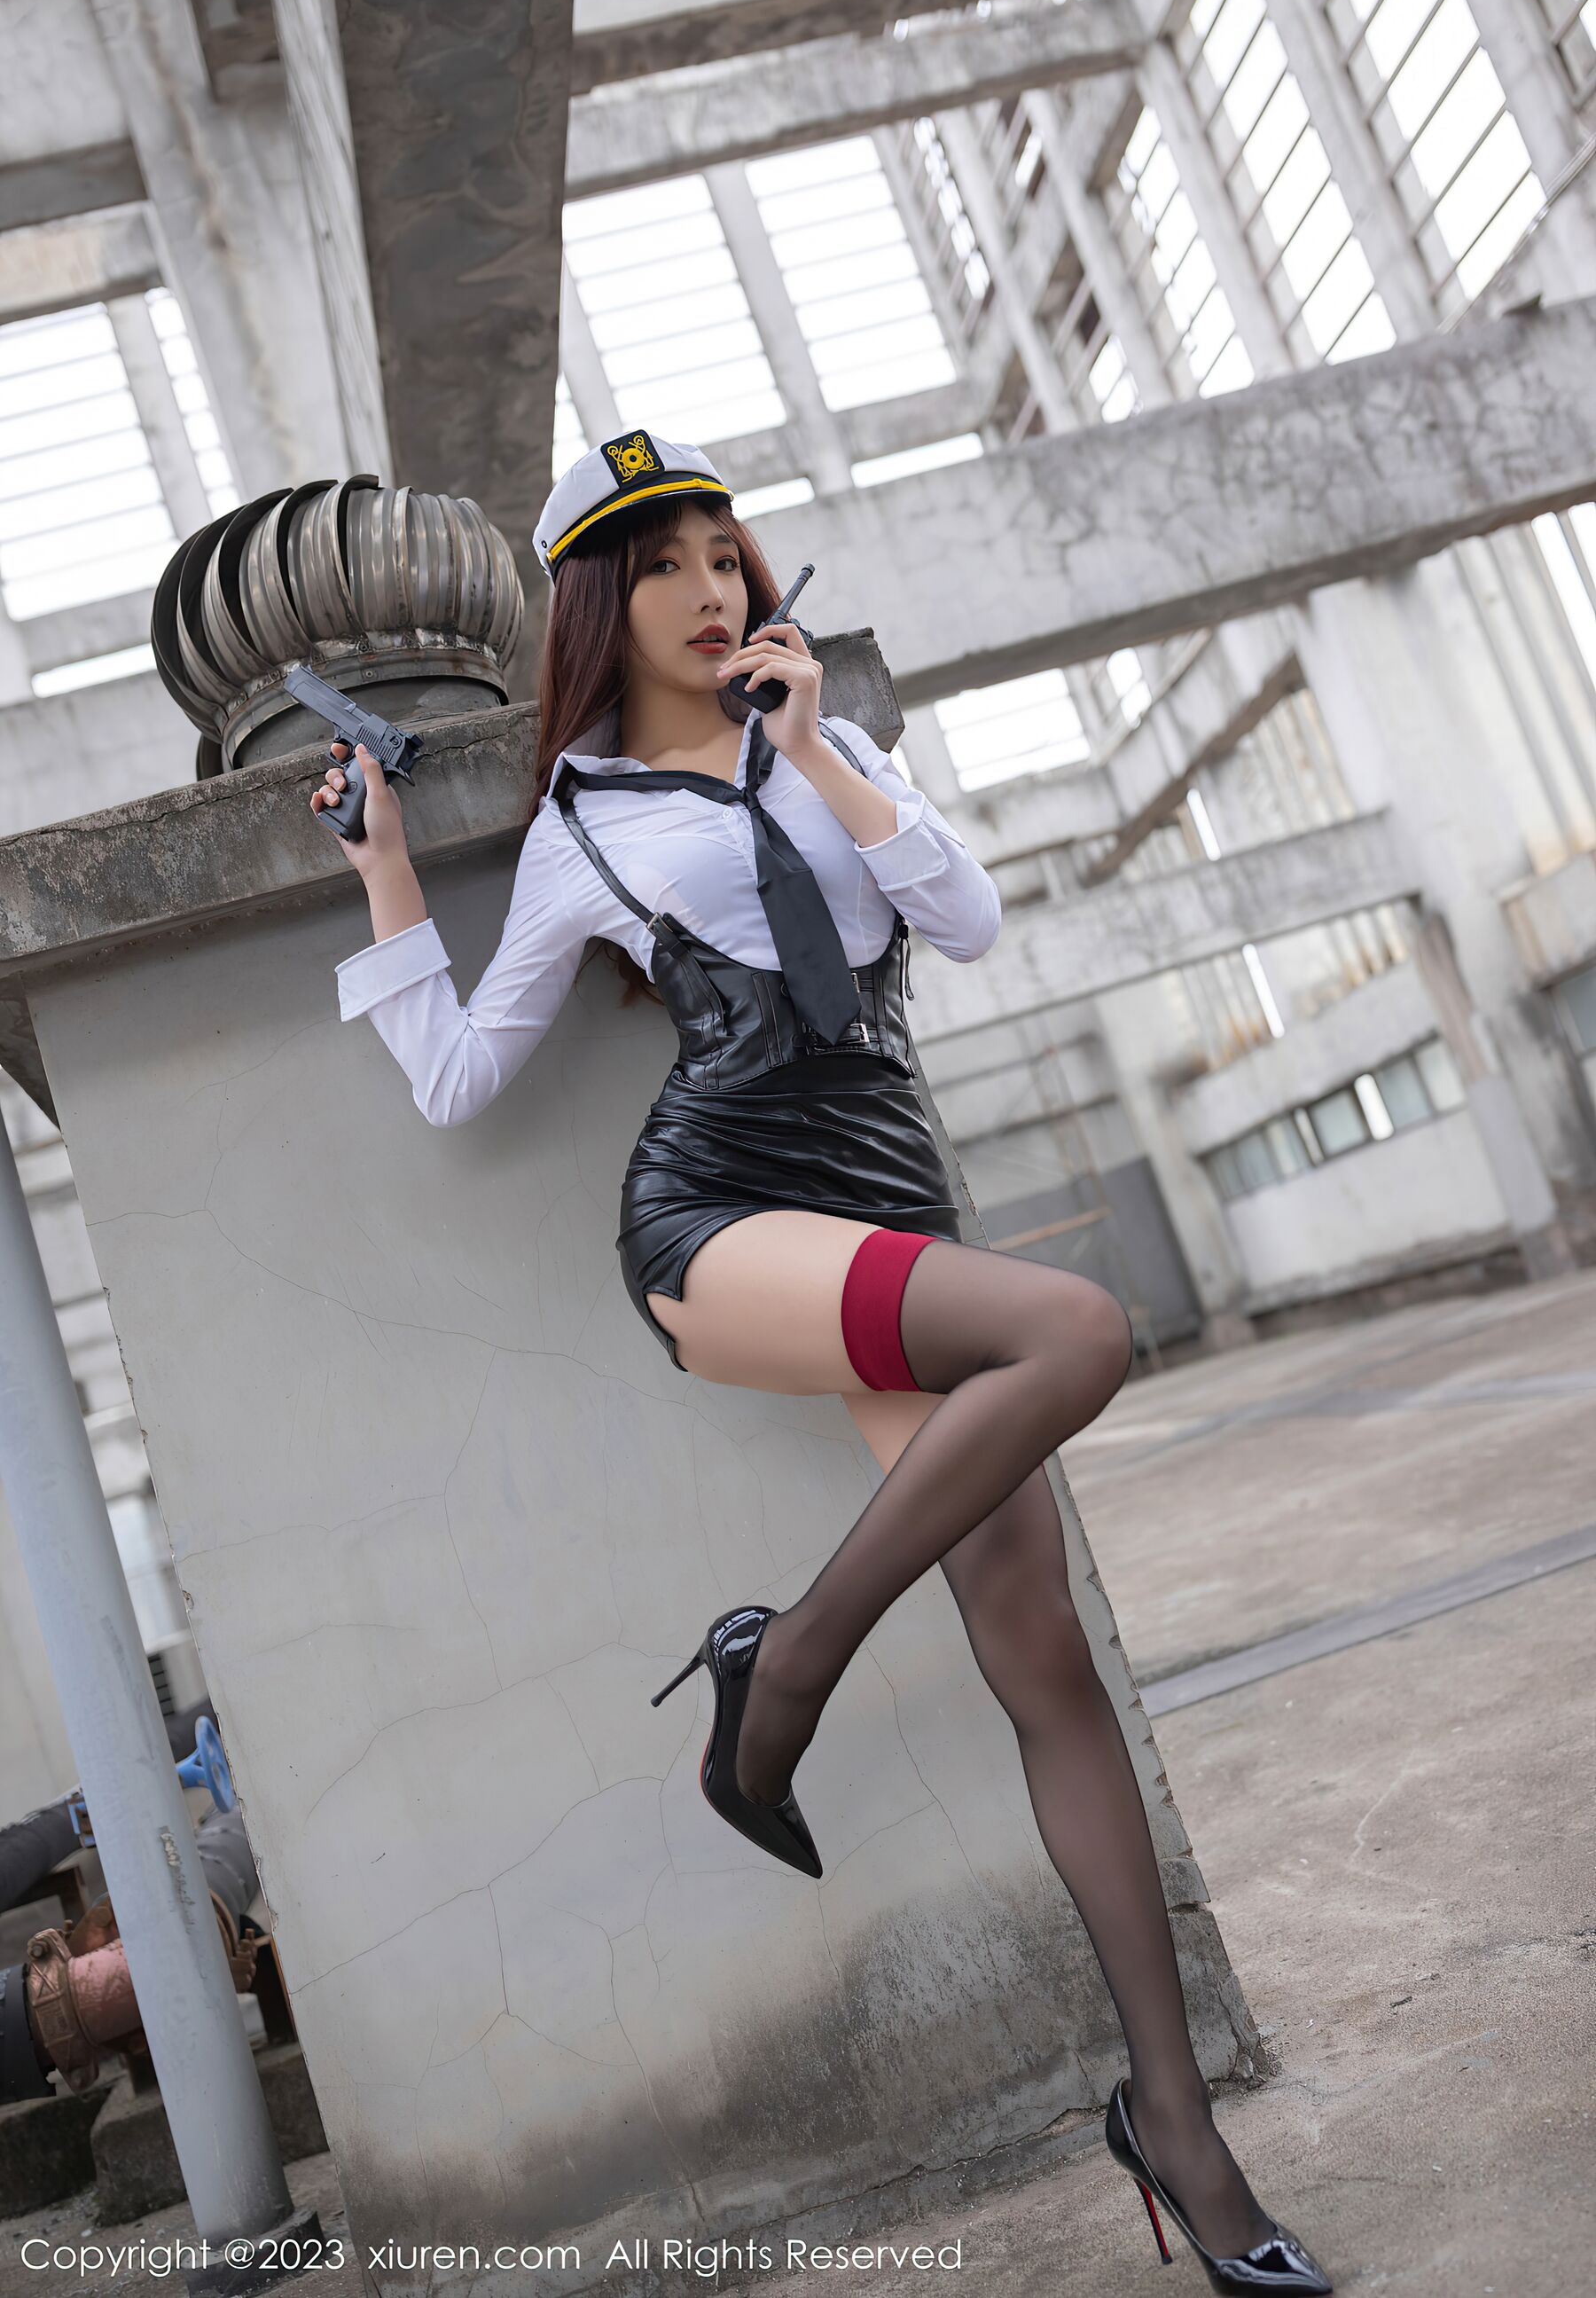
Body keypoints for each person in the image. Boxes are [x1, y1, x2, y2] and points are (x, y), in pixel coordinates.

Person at [314, 432, 1331, 2294]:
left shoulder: (830, 743)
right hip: (719, 1223)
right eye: (663, 566)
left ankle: (1176, 2125)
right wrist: (386, 873)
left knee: (1044, 1658)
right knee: (1077, 1327)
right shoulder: (582, 831)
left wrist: (821, 756)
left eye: (725, 554)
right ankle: (782, 1669)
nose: (711, 591)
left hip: (893, 1217)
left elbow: (967, 921)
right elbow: (460, 1077)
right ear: (597, 605)